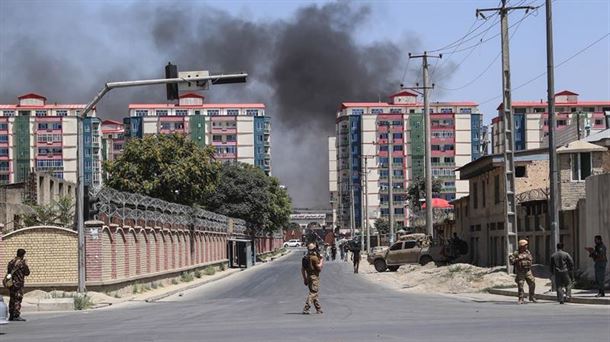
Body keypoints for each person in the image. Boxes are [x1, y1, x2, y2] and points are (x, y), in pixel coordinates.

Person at [509, 240, 537, 304]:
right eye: (525, 245)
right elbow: (511, 261)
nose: (526, 246)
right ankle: (521, 298)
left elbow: (531, 259)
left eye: (526, 245)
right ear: (521, 246)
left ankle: (531, 296)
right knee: (520, 285)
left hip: (528, 271)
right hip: (520, 271)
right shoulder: (516, 253)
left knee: (532, 283)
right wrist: (518, 258)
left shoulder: (527, 252)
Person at [6, 248, 30, 321]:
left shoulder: (11, 262)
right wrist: (26, 264)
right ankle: (16, 315)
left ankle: (11, 315)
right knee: (18, 299)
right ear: (23, 255)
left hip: (11, 283)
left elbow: (9, 272)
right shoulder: (22, 263)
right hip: (18, 284)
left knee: (12, 298)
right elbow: (27, 273)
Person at [301, 243, 323, 314]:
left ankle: (318, 309)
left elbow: (302, 270)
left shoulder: (305, 258)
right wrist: (322, 260)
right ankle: (306, 308)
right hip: (314, 277)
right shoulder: (314, 258)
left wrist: (304, 278)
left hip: (308, 276)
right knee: (313, 292)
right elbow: (319, 268)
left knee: (314, 293)